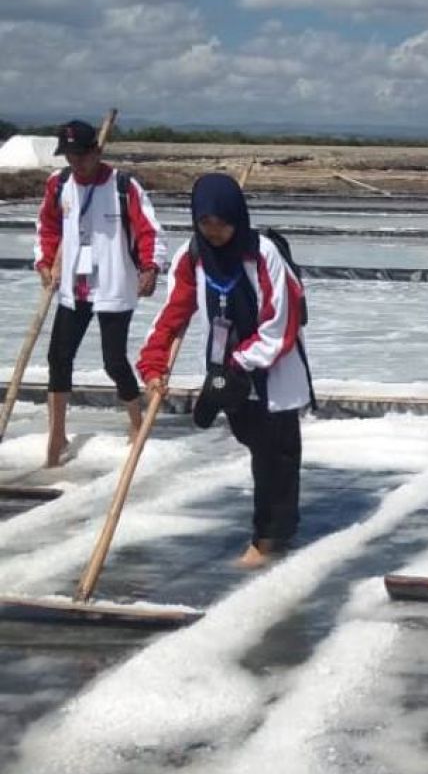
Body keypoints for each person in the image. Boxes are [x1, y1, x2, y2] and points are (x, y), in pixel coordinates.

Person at [138, 173, 311, 568]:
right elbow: (173, 314)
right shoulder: (192, 255)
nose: (215, 232)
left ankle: (267, 538)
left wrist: (240, 361)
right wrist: (154, 363)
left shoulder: (263, 253)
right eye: (206, 223)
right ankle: (278, 524)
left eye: (222, 223)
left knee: (275, 454)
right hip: (225, 371)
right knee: (255, 444)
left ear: (238, 216)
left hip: (271, 368)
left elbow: (279, 323)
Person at [34, 119, 164, 467]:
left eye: (81, 155)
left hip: (113, 284)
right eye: (69, 157)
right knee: (58, 359)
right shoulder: (59, 184)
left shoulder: (123, 185)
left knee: (113, 361)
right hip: (74, 286)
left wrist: (150, 267)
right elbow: (47, 226)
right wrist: (45, 262)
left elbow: (148, 229)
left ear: (97, 151)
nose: (76, 163)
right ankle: (57, 432)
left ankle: (136, 423)